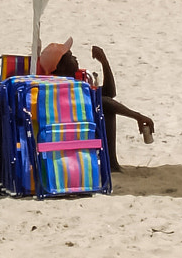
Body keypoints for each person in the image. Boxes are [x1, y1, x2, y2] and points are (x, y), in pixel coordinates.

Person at [38, 40, 154, 173]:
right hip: (65, 128)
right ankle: (111, 164)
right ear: (60, 67)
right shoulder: (59, 86)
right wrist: (137, 116)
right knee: (106, 106)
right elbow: (103, 101)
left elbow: (109, 93)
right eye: (70, 56)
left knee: (107, 107)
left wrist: (104, 62)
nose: (75, 57)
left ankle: (112, 164)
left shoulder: (76, 80)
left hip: (80, 120)